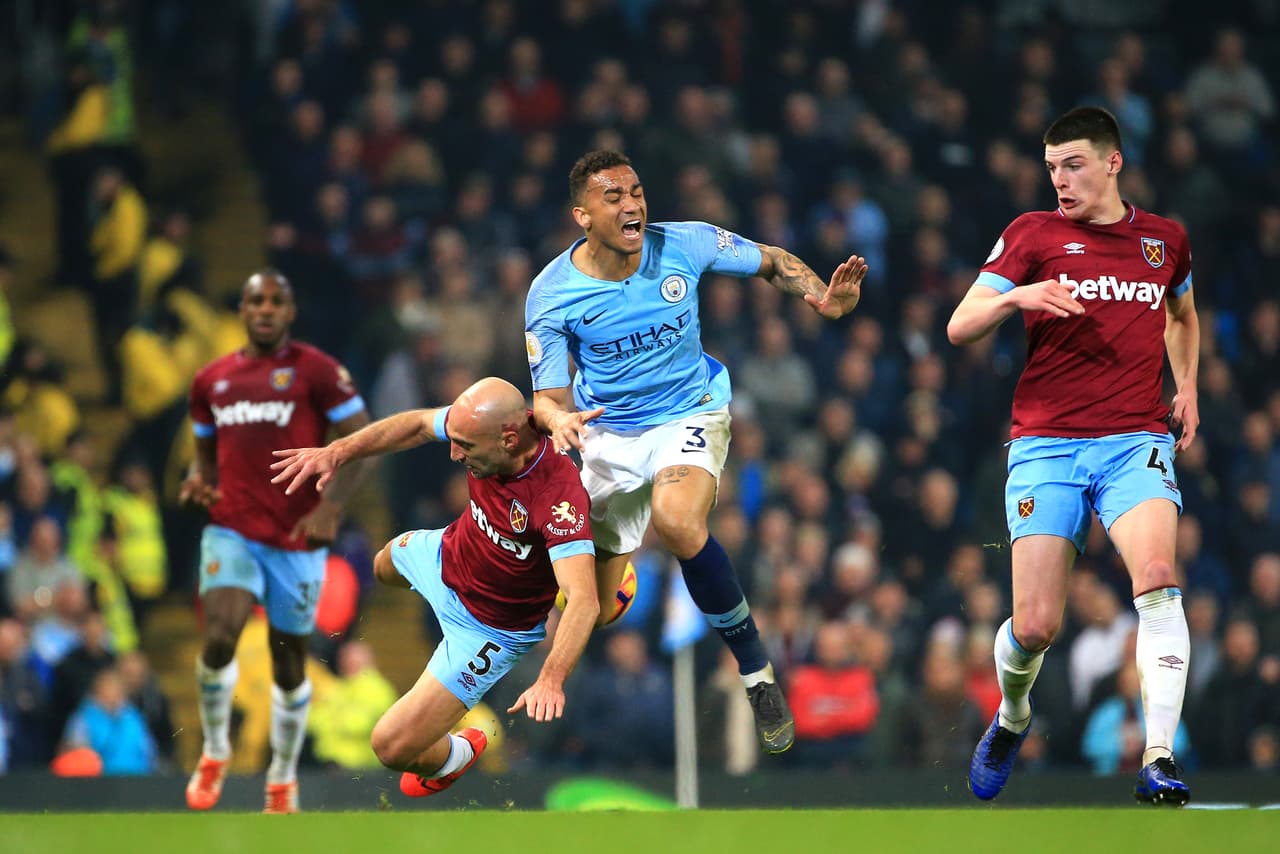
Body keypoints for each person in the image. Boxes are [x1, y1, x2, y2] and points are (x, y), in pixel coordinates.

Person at [524, 149, 866, 754]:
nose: (632, 204)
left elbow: (773, 262)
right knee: (596, 611)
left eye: (636, 191)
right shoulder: (551, 294)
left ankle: (757, 673)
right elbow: (547, 397)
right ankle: (618, 579)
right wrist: (558, 420)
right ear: (582, 215)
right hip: (606, 434)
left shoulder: (686, 242)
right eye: (614, 197)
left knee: (677, 520)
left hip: (690, 410)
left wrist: (824, 298)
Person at [947, 107, 1199, 805]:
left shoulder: (1164, 241)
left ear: (1113, 163)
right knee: (1034, 626)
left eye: (1074, 165)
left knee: (1156, 576)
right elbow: (959, 324)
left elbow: (1182, 313)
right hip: (1046, 445)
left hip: (1134, 440)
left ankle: (1157, 755)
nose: (1060, 179)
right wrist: (1019, 295)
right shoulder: (1033, 234)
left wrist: (1190, 387)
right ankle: (1012, 716)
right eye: (1052, 166)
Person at [270, 376, 599, 797]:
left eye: (466, 446)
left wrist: (552, 677)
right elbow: (417, 425)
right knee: (382, 565)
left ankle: (455, 755)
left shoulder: (558, 498)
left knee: (389, 747)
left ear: (509, 439)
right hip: (447, 553)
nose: (454, 452)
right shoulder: (481, 424)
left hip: (488, 629)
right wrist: (337, 452)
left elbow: (584, 602)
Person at [179, 269, 371, 814]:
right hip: (232, 529)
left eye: (275, 301)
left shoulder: (317, 372)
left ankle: (282, 776)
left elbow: (360, 441)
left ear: (290, 312)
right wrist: (198, 480)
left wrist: (330, 506)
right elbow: (203, 450)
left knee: (289, 667)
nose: (264, 309)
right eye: (255, 301)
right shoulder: (210, 380)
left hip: (294, 539)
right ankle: (215, 751)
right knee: (219, 636)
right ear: (242, 311)